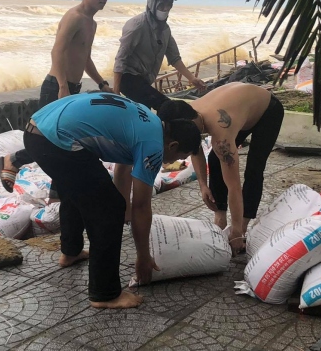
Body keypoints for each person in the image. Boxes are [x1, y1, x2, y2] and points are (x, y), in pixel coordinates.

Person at [22, 92, 201, 308]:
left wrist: (124, 210)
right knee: (108, 210)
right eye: (179, 157)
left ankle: (71, 252)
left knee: (78, 189)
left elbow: (122, 170)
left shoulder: (150, 122)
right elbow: (142, 205)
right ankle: (105, 294)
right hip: (56, 140)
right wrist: (143, 256)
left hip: (39, 127)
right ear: (172, 145)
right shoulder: (153, 146)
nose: (171, 162)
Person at [0, 0, 114, 192]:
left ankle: (57, 191)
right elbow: (57, 52)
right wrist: (62, 86)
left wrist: (102, 84)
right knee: (45, 140)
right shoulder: (74, 17)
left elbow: (85, 58)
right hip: (56, 87)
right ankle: (13, 160)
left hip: (71, 88)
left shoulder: (92, 23)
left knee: (64, 142)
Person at [157, 83, 284, 255]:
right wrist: (203, 185)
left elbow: (233, 185)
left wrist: (237, 230)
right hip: (240, 107)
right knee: (215, 159)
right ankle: (220, 216)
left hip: (267, 110)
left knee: (254, 168)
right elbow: (194, 147)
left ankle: (242, 227)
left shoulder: (221, 132)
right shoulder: (184, 113)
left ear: (191, 125)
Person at [112, 0, 207, 112]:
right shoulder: (137, 25)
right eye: (162, 4)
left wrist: (192, 78)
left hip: (144, 81)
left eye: (169, 5)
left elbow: (174, 58)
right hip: (128, 78)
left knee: (145, 110)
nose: (166, 8)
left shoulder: (165, 30)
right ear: (152, 4)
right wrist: (115, 93)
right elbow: (120, 59)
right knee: (166, 106)